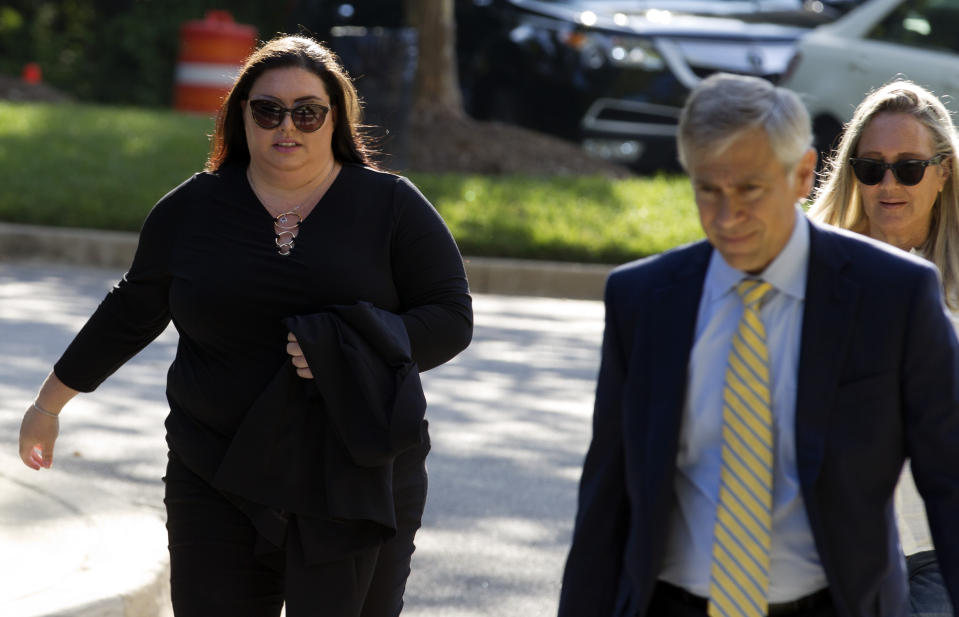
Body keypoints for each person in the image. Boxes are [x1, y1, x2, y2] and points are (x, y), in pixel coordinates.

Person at [17, 35, 472, 617]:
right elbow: (131, 311)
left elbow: (450, 317)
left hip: (354, 475)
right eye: (268, 110)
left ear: (336, 119)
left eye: (308, 112)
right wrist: (48, 405)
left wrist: (352, 344)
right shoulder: (191, 209)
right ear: (240, 115)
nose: (289, 127)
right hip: (215, 471)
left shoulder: (392, 206)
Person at [557, 72, 959, 617]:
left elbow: (948, 481)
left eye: (749, 189)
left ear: (800, 175)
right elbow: (606, 500)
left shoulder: (894, 294)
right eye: (708, 189)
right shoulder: (643, 299)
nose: (727, 217)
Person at [809, 79, 959, 617]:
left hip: (934, 555)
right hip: (826, 549)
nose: (888, 183)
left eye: (909, 167)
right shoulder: (810, 275)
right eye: (871, 167)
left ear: (944, 172)